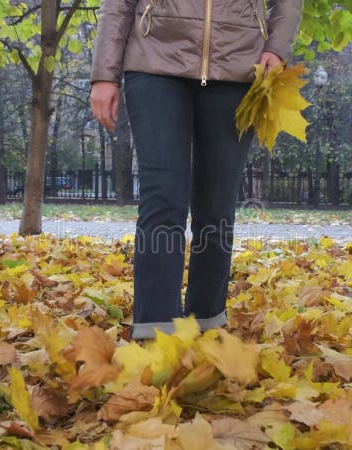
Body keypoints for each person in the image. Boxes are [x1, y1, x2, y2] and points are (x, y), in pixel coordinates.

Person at [90, 0, 303, 340]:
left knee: (216, 204)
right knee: (163, 198)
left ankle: (206, 324)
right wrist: (104, 73)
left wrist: (276, 49)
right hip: (154, 59)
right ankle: (155, 334)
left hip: (238, 66)